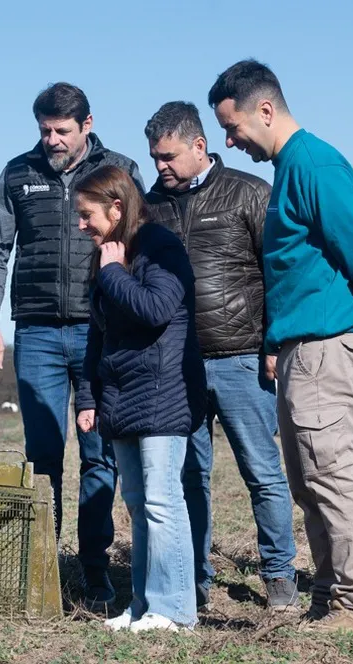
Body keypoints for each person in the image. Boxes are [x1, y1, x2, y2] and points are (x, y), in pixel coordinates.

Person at [208, 59, 353, 635]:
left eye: (233, 128)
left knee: (333, 474)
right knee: (306, 479)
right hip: (300, 348)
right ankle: (327, 597)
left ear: (264, 110)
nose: (230, 142)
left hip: (327, 345)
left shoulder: (315, 164)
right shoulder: (288, 170)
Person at [0, 82, 146, 609]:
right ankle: (42, 569)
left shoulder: (119, 171)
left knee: (100, 454)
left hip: (102, 329)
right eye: (44, 130)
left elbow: (141, 240)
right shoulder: (17, 173)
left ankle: (95, 570)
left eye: (62, 130)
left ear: (87, 125)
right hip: (37, 333)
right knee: (43, 454)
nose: (51, 139)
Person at [143, 101, 299, 611]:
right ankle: (193, 580)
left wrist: (273, 342)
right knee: (188, 478)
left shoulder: (249, 193)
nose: (160, 166)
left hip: (241, 359)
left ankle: (279, 577)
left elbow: (279, 272)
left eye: (168, 156)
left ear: (199, 145)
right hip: (176, 365)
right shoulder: (150, 207)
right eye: (154, 157)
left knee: (262, 471)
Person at [74, 165, 205, 633]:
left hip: (162, 394)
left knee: (162, 502)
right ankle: (144, 604)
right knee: (137, 502)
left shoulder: (158, 246)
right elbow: (98, 334)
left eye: (87, 215)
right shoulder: (108, 256)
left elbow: (156, 309)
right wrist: (87, 396)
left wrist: (112, 271)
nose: (81, 225)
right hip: (121, 397)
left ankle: (174, 610)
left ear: (116, 208)